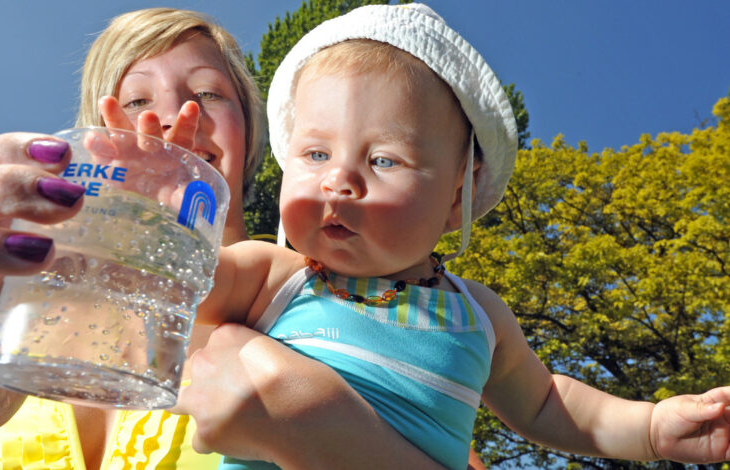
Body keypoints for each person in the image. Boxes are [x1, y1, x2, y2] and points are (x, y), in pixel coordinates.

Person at [175, 4, 730, 470]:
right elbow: (164, 282)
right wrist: (152, 197)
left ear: (457, 200)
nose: (338, 179)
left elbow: (548, 403)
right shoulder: (272, 275)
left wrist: (654, 427)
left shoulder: (479, 313)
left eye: (383, 158)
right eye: (315, 153)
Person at [0, 7, 453, 470]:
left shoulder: (331, 298)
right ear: (98, 138)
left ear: (253, 133)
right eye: (137, 100)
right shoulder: (19, 319)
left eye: (209, 94)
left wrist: (344, 443)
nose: (173, 115)